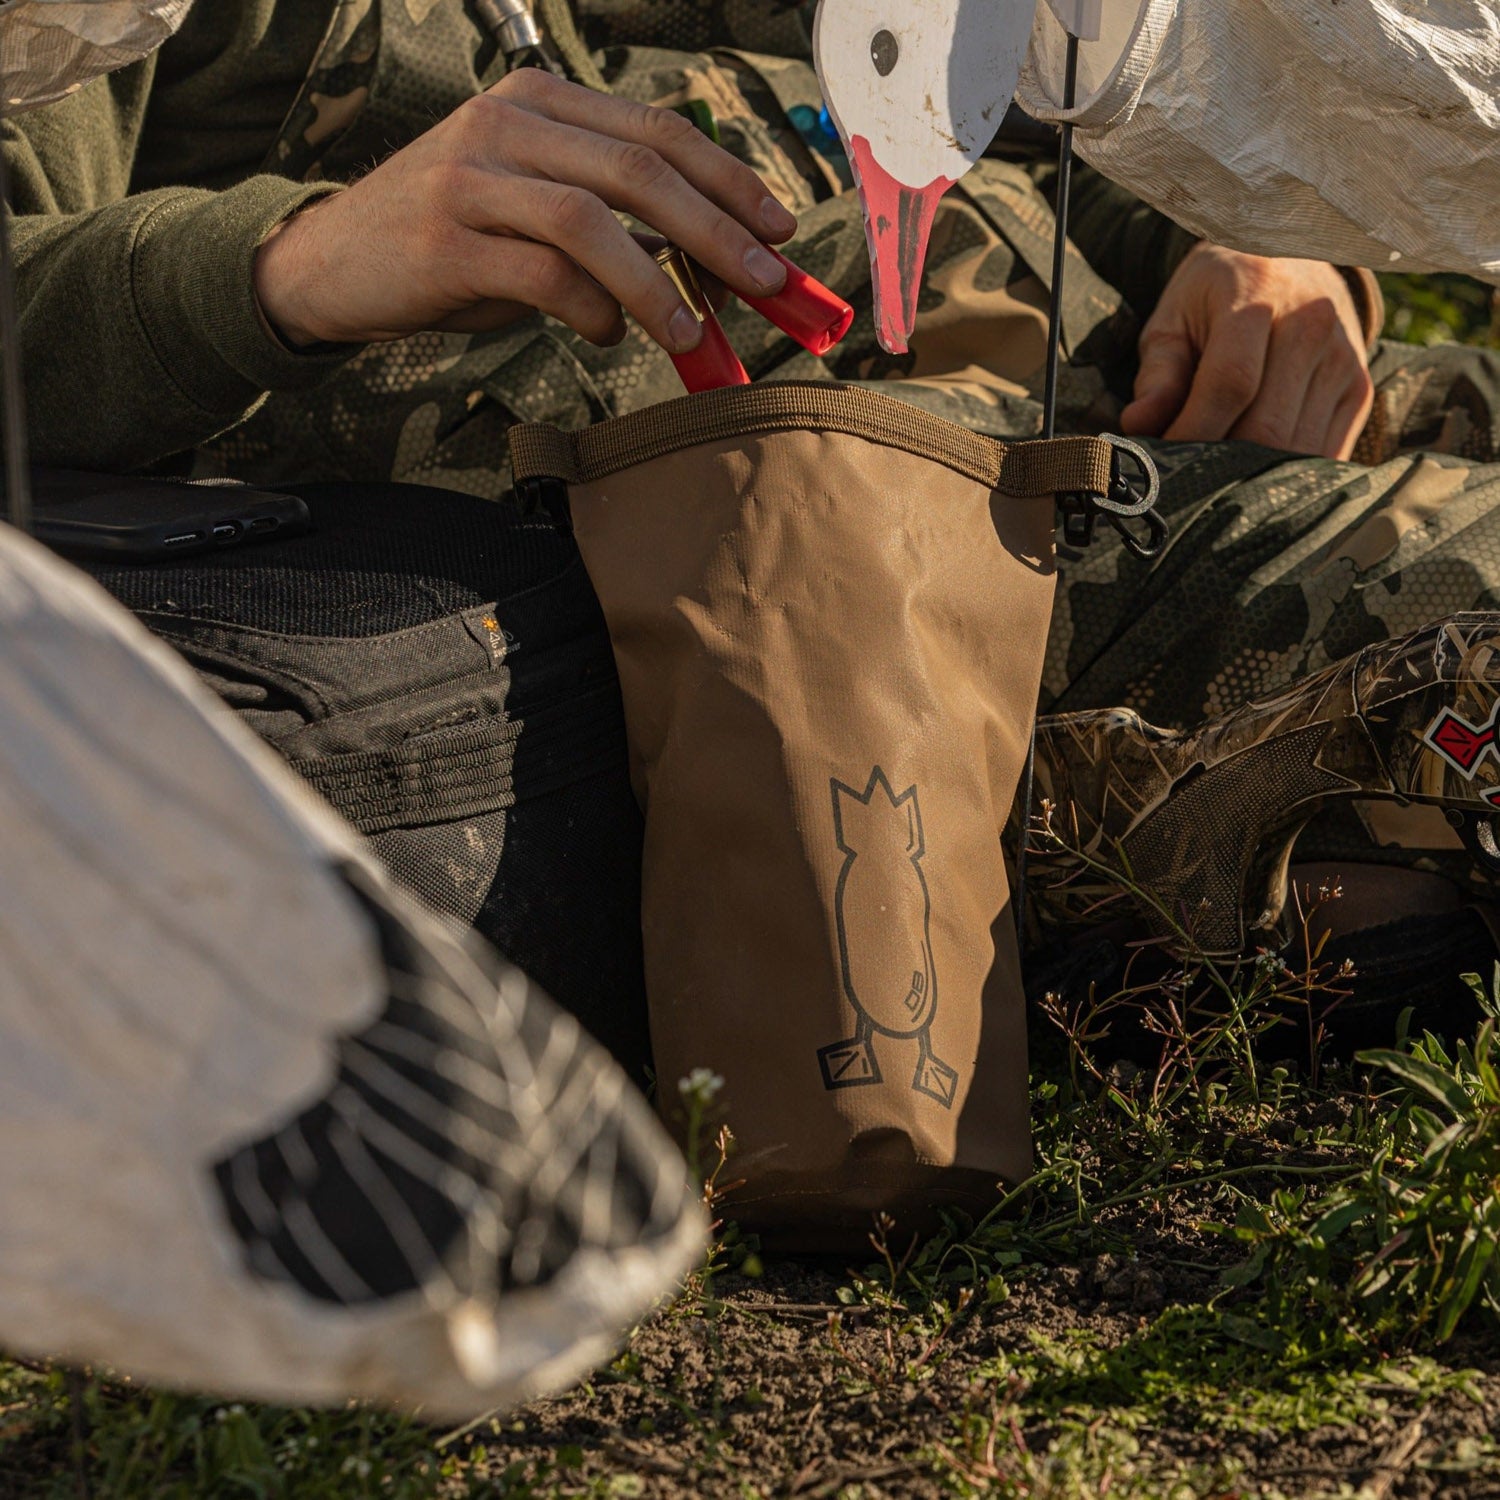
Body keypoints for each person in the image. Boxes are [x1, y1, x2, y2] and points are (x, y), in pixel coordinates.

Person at [6, 0, 1500, 1039]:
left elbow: (979, 65)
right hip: (798, 523)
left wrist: (1236, 240)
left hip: (1095, 363)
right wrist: (288, 266)